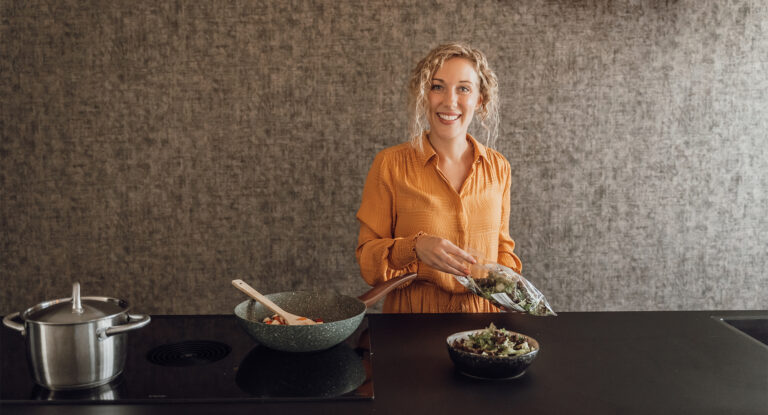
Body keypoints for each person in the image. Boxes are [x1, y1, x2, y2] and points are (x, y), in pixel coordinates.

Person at [355, 42, 522, 313]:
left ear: (479, 99)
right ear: (424, 95)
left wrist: (513, 291)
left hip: (482, 326)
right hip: (412, 324)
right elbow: (368, 262)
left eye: (463, 89)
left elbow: (502, 251)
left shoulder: (498, 167)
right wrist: (416, 246)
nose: (449, 101)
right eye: (437, 86)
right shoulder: (390, 165)